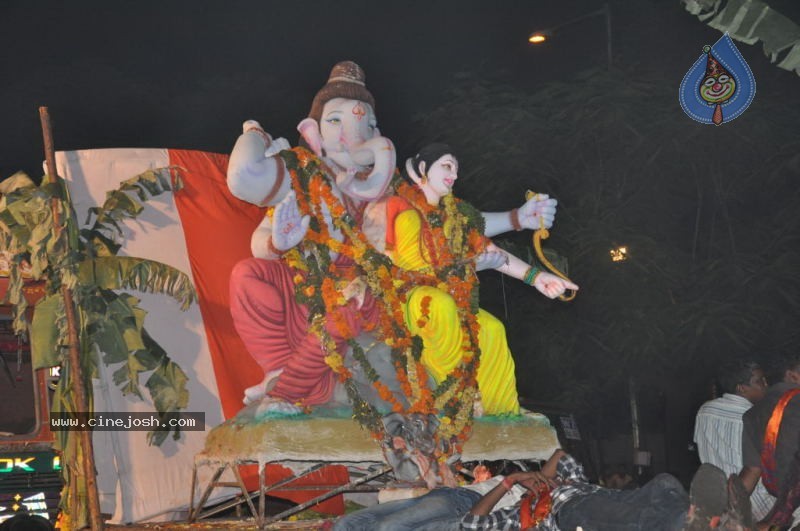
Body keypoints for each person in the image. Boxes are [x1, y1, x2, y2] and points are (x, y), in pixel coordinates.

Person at [226, 62, 562, 413]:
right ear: (312, 132)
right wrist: (278, 238)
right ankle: (281, 372)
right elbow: (248, 189)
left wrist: (518, 223)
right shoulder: (301, 176)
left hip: (371, 291)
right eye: (336, 121)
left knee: (473, 323)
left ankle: (478, 402)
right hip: (308, 286)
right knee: (246, 275)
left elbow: (464, 228)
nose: (354, 135)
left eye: (368, 124)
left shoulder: (394, 192)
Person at [383, 144, 577, 415]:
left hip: (450, 295)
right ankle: (454, 398)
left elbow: (491, 252)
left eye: (457, 169)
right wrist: (468, 264)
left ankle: (501, 412)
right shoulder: (395, 204)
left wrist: (537, 277)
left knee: (491, 328)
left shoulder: (455, 217)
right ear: (422, 170)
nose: (454, 175)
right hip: (410, 295)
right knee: (440, 306)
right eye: (447, 166)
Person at [333, 449, 746, 530]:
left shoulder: (571, 479)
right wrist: (513, 481)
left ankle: (700, 518)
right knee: (394, 526)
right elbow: (473, 524)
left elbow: (561, 454)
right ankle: (687, 521)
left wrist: (543, 477)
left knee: (664, 483)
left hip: (587, 500)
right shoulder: (506, 506)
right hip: (561, 518)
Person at [694, 359, 773, 520]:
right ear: (741, 388)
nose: (766, 385)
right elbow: (755, 469)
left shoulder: (705, 411)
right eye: (760, 381)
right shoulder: (757, 417)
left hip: (719, 500)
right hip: (754, 502)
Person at [740, 354, 800, 530]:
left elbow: (752, 470)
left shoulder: (752, 415)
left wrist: (725, 510)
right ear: (792, 375)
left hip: (783, 506)